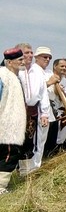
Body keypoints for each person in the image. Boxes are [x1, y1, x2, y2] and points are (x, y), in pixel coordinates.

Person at [15, 44, 50, 176]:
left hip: (32, 112)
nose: (29, 55)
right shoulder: (15, 70)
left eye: (31, 52)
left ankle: (25, 172)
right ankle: (9, 171)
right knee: (13, 142)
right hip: (16, 112)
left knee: (29, 142)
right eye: (26, 52)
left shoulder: (37, 72)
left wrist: (44, 113)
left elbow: (43, 94)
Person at [0, 48, 27, 194]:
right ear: (9, 62)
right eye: (20, 60)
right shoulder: (3, 76)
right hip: (6, 122)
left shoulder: (14, 77)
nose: (23, 62)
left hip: (12, 122)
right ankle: (0, 186)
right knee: (8, 154)